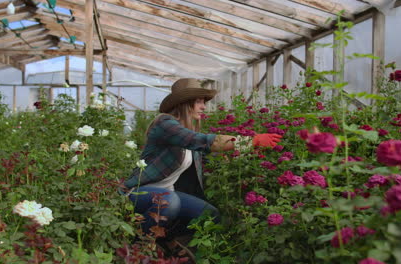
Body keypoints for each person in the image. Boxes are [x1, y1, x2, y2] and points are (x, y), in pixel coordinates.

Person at [120, 78, 282, 247]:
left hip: (167, 193)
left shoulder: (186, 131)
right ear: (185, 103)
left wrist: (244, 155)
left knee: (210, 214)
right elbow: (201, 141)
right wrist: (250, 141)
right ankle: (135, 247)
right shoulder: (165, 124)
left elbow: (207, 153)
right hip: (139, 192)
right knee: (169, 202)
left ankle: (174, 246)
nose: (204, 107)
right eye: (199, 102)